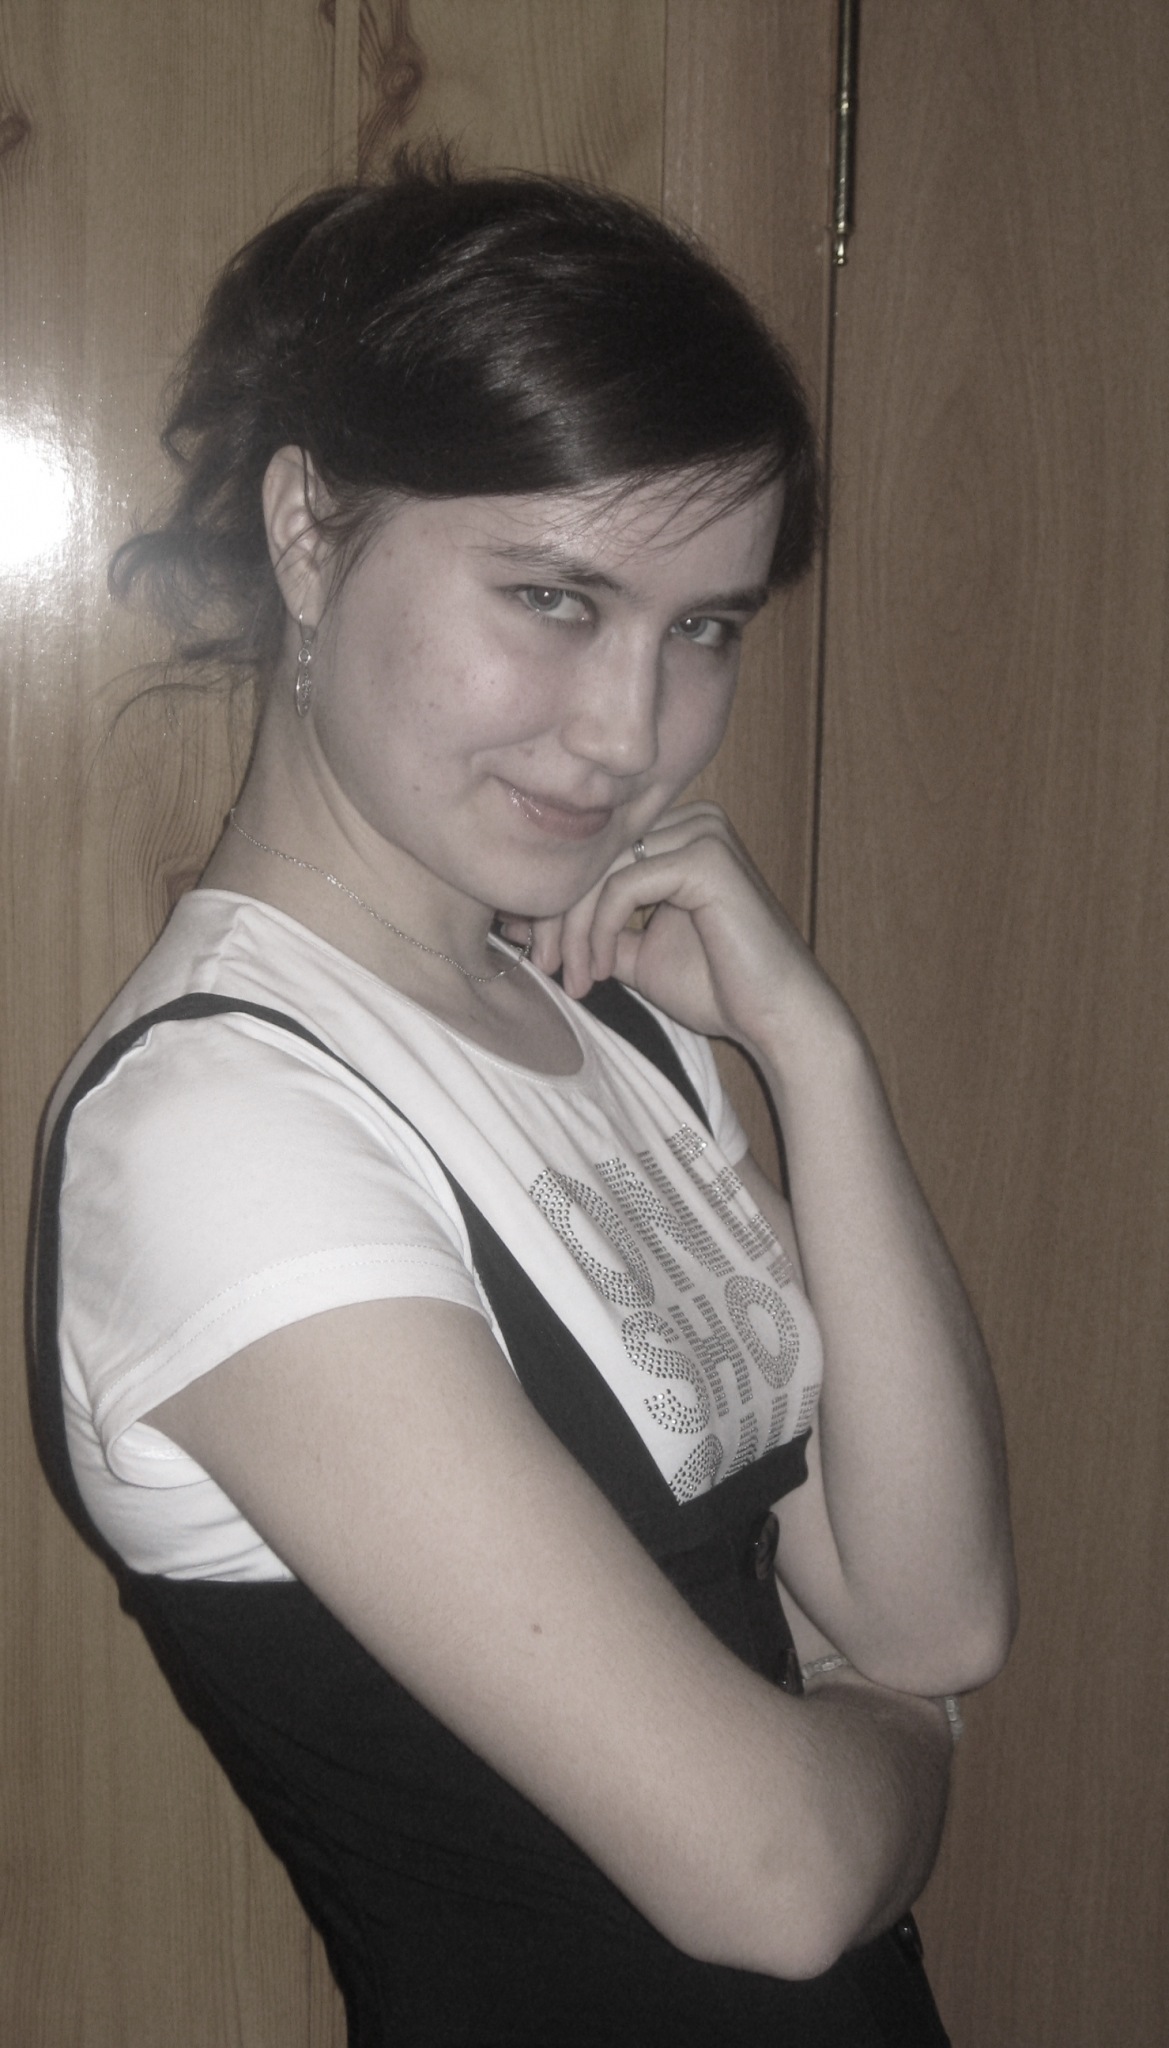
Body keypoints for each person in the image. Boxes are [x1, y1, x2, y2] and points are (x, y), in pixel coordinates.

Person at [30, 155, 1016, 2046]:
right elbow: (777, 1875)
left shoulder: (612, 1027)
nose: (629, 734)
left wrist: (810, 1054)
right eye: (556, 597)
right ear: (307, 531)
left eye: (703, 628)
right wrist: (900, 1742)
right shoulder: (220, 1132)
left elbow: (933, 1611)